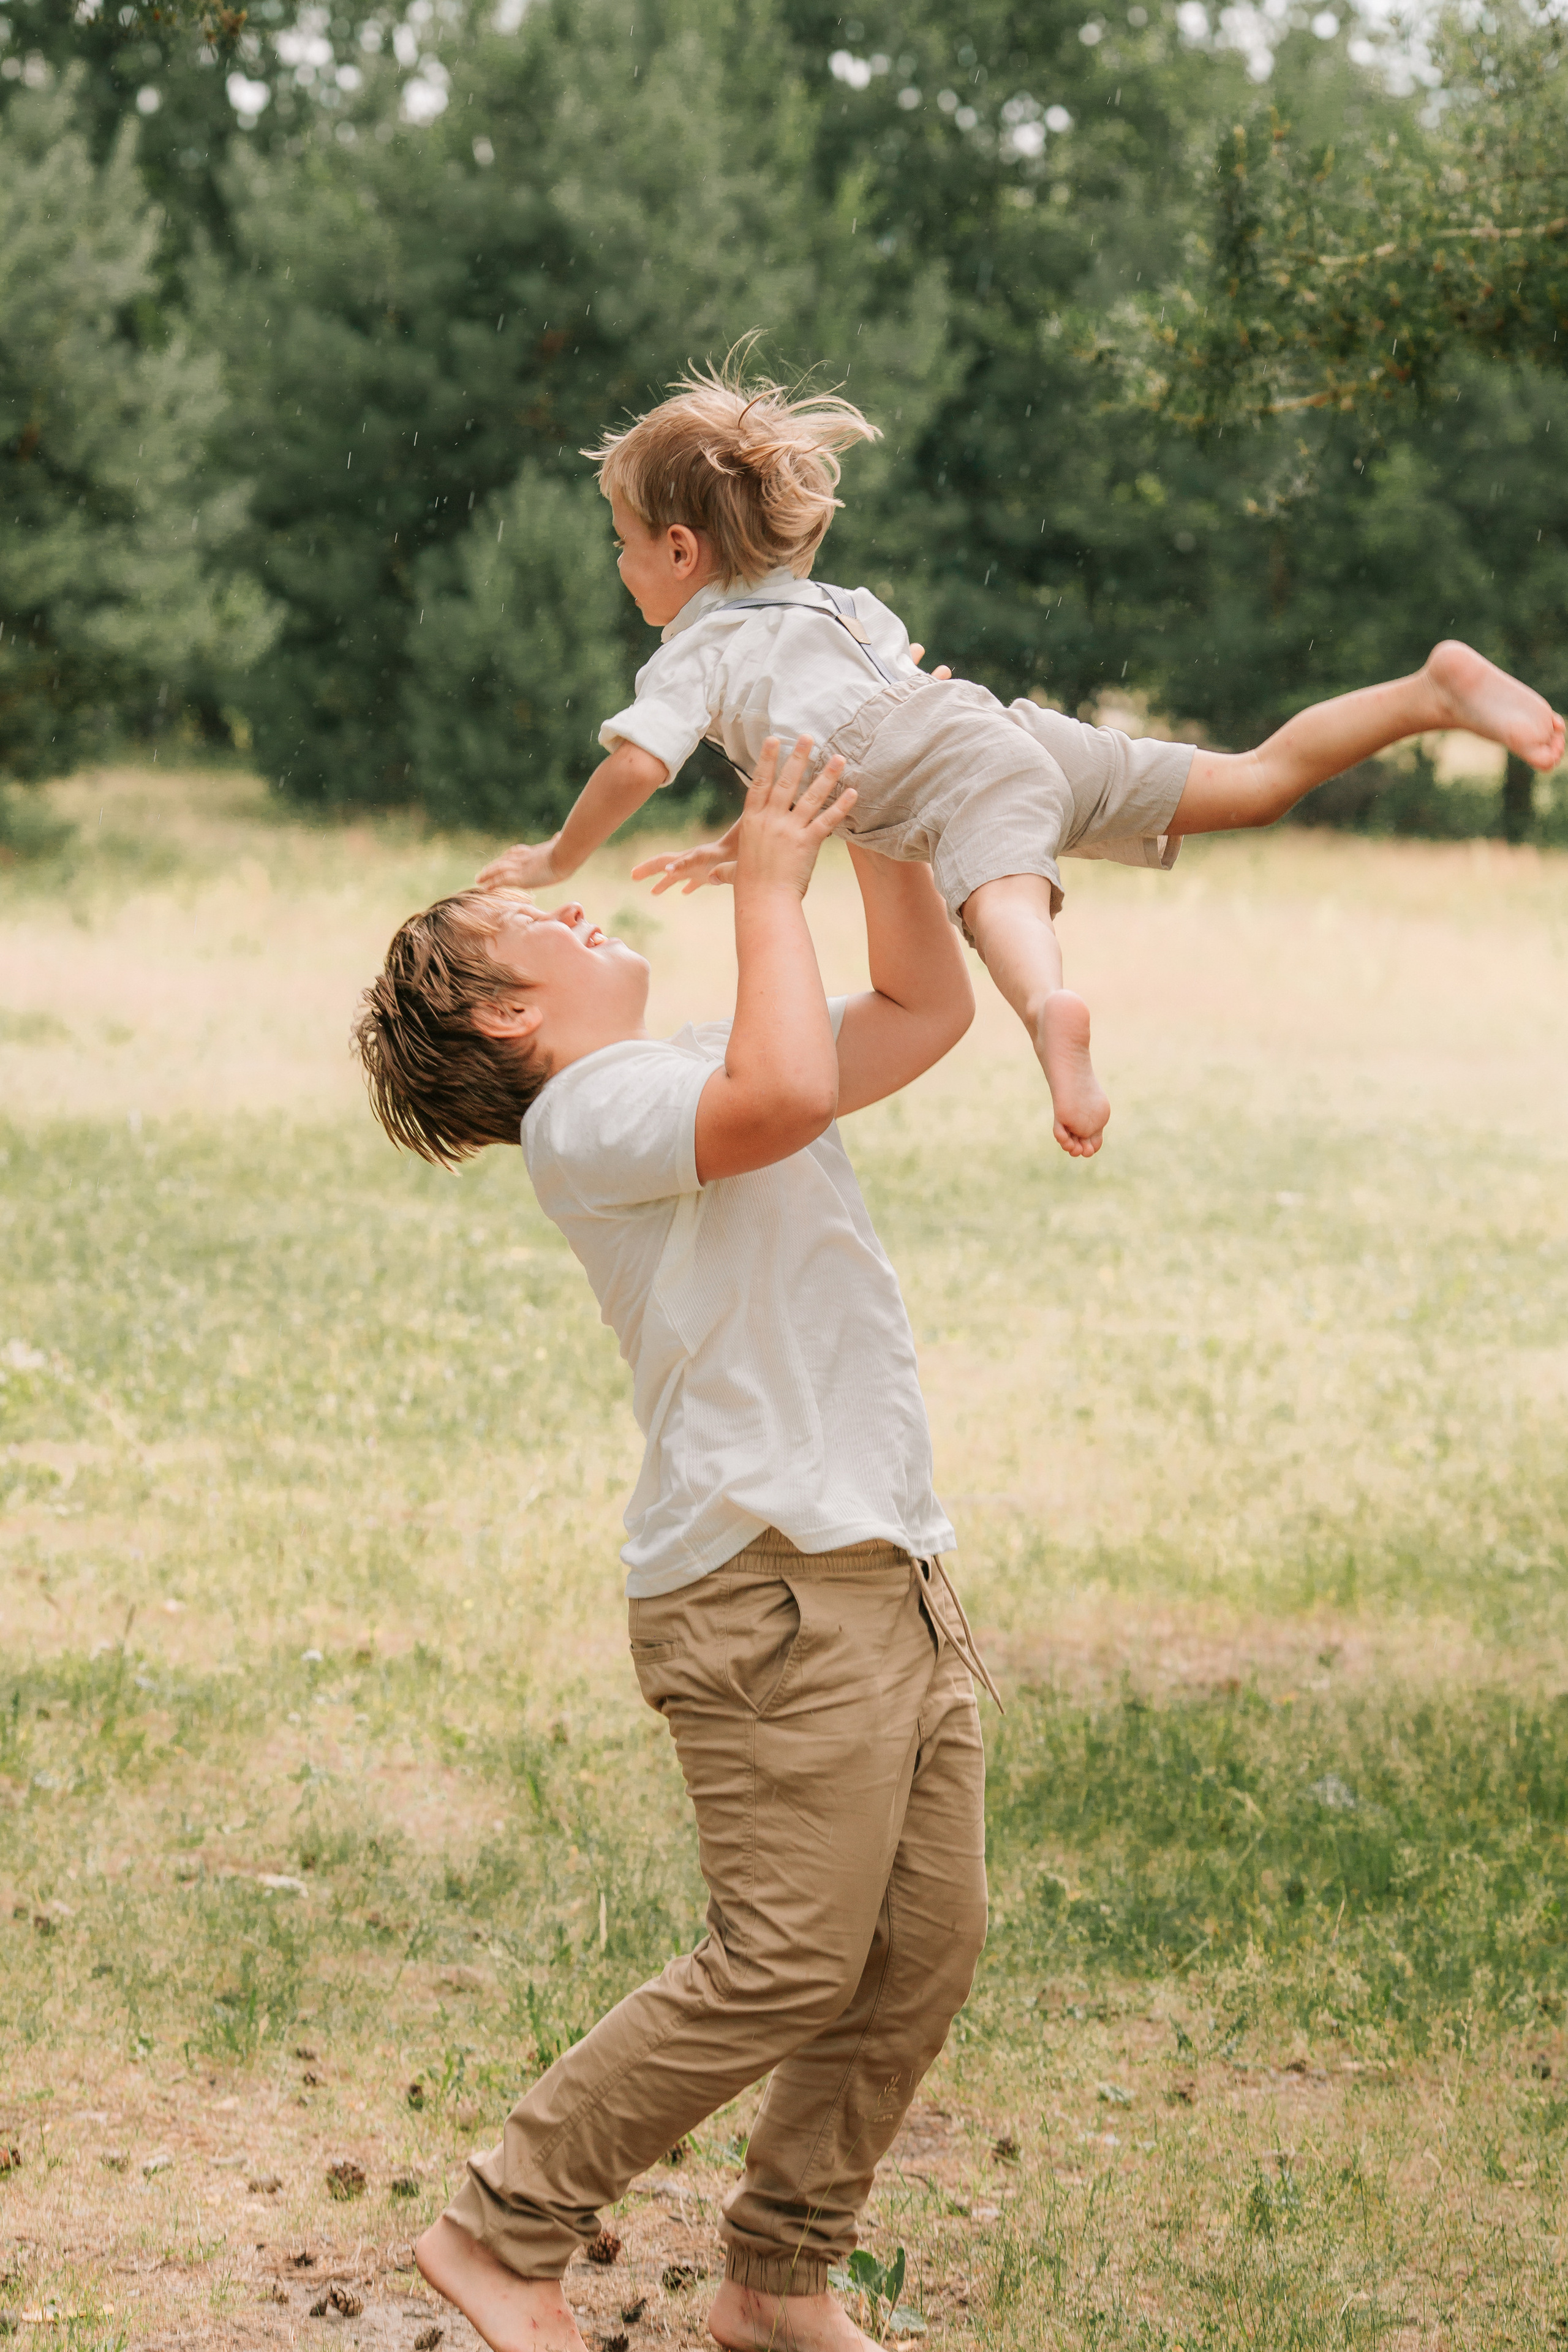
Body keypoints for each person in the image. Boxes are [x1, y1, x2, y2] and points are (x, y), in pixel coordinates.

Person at [352, 734, 994, 2352]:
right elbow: (781, 1089)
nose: (588, 919)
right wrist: (772, 881)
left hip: (878, 1569)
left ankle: (779, 2278)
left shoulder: (675, 1078)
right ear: (510, 1023)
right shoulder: (593, 1116)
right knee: (787, 1961)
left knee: (916, 1948)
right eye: (547, 936)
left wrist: (886, 815)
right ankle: (503, 2234)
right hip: (767, 1592)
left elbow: (925, 1011)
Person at [476, 358, 1566, 1161]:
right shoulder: (827, 601)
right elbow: (841, 746)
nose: (622, 568)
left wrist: (559, 859)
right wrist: (743, 842)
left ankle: (1048, 1013)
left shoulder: (699, 647)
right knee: (1258, 779)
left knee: (1004, 901)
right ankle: (1431, 692)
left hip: (964, 774)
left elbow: (634, 765)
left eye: (623, 544)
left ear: (680, 550)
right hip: (1007, 730)